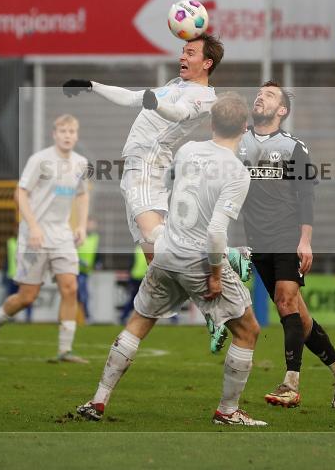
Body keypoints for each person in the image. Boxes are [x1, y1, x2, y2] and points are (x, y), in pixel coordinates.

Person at [76, 94, 267, 426]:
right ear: (245, 129)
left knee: (138, 323)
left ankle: (97, 400)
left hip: (166, 253)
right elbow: (216, 232)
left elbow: (167, 192)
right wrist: (216, 274)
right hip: (197, 260)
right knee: (248, 329)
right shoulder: (237, 171)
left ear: (211, 123)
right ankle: (228, 410)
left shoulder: (188, 150)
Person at [238, 81, 335, 410]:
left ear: (282, 110)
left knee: (284, 300)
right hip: (257, 239)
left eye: (270, 95)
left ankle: (290, 384)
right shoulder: (239, 142)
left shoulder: (293, 148)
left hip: (286, 235)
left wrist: (305, 240)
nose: (260, 96)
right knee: (300, 317)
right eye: (259, 93)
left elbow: (307, 195)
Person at [62, 34, 221, 265]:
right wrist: (91, 85)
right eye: (183, 51)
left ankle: (220, 256)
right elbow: (131, 98)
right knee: (154, 258)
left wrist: (155, 103)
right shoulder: (176, 85)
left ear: (207, 63)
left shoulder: (205, 96)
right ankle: (180, 292)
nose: (182, 56)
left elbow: (179, 112)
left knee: (152, 233)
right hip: (137, 166)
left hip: (148, 163)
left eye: (190, 53)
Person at [0, 114, 90, 363]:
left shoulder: (81, 164)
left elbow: (82, 196)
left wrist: (81, 225)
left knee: (70, 288)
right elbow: (20, 194)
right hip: (34, 236)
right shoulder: (40, 160)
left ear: (76, 135)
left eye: (71, 132)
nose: (67, 136)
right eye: (63, 131)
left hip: (61, 234)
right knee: (27, 297)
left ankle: (64, 350)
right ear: (54, 134)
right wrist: (33, 226)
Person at [76, 218, 102, 322]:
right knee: (81, 294)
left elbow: (96, 252)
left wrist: (97, 263)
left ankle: (85, 316)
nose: (92, 226)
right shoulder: (78, 235)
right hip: (75, 269)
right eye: (90, 224)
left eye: (93, 225)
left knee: (82, 294)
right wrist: (80, 261)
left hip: (86, 271)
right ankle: (85, 316)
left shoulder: (96, 238)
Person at [3, 236, 33, 323]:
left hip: (25, 276)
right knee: (11, 297)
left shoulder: (29, 242)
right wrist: (4, 273)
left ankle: (28, 318)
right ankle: (10, 317)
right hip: (12, 275)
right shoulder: (10, 242)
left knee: (28, 297)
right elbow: (6, 259)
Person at [118, 244, 148, 324]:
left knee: (133, 299)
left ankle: (123, 316)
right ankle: (173, 318)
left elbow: (131, 264)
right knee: (157, 299)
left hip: (135, 277)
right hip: (144, 277)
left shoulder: (137, 249)